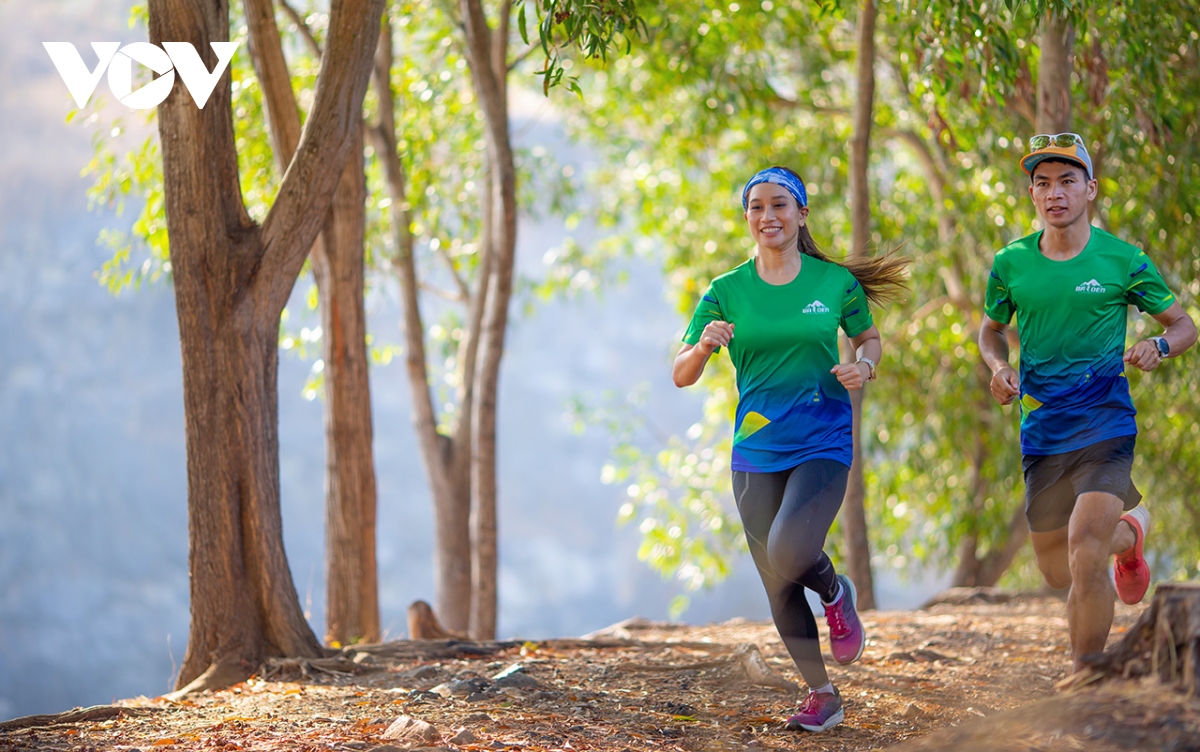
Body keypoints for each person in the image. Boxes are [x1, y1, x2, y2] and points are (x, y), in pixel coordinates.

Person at [673, 166, 908, 732]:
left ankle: (834, 589)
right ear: (747, 218)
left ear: (801, 214)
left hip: (822, 441)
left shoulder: (833, 284)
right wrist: (704, 347)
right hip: (755, 452)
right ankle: (822, 695)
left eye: (780, 204)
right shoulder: (725, 291)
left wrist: (864, 365)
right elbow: (681, 374)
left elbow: (868, 336)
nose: (767, 215)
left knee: (790, 549)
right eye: (756, 206)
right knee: (777, 580)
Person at [978, 133, 1197, 672]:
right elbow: (990, 332)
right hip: (1042, 431)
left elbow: (1184, 325)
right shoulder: (1011, 263)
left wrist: (1158, 345)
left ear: (1090, 190)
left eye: (1067, 181)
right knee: (1058, 569)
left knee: (1084, 545)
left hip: (1105, 424)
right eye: (1043, 183)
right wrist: (1000, 366)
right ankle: (1133, 532)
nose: (1055, 193)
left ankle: (1087, 676)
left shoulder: (1123, 260)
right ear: (1032, 194)